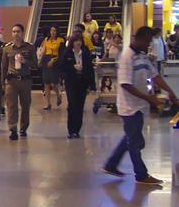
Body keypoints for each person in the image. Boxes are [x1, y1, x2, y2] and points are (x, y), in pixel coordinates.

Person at [103, 26, 172, 187]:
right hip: (129, 107)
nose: (147, 46)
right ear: (139, 39)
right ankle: (141, 174)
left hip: (139, 106)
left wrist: (170, 92)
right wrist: (149, 98)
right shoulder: (127, 57)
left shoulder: (141, 56)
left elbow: (154, 75)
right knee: (135, 142)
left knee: (131, 137)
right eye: (146, 42)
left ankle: (111, 165)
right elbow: (126, 84)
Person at [2, 23, 37, 140]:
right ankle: (13, 129)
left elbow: (35, 64)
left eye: (18, 31)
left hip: (25, 80)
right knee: (11, 106)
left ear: (22, 33)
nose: (15, 34)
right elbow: (4, 66)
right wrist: (3, 83)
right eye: (13, 32)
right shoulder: (7, 48)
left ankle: (23, 127)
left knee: (25, 105)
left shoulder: (29, 47)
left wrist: (24, 61)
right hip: (11, 81)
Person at [57, 32, 96, 138]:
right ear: (72, 42)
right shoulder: (67, 53)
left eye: (79, 41)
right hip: (71, 82)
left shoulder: (85, 52)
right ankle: (71, 129)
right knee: (72, 104)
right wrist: (73, 67)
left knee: (80, 106)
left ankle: (77, 129)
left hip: (82, 82)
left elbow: (90, 68)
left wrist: (92, 85)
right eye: (76, 41)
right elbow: (62, 67)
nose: (78, 43)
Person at [41, 26, 64, 109]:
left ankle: (58, 94)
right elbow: (43, 51)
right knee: (46, 83)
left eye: (55, 30)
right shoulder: (46, 40)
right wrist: (40, 61)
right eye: (51, 30)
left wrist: (53, 60)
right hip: (46, 60)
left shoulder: (60, 40)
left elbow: (61, 54)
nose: (53, 32)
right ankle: (48, 103)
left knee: (54, 83)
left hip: (55, 60)